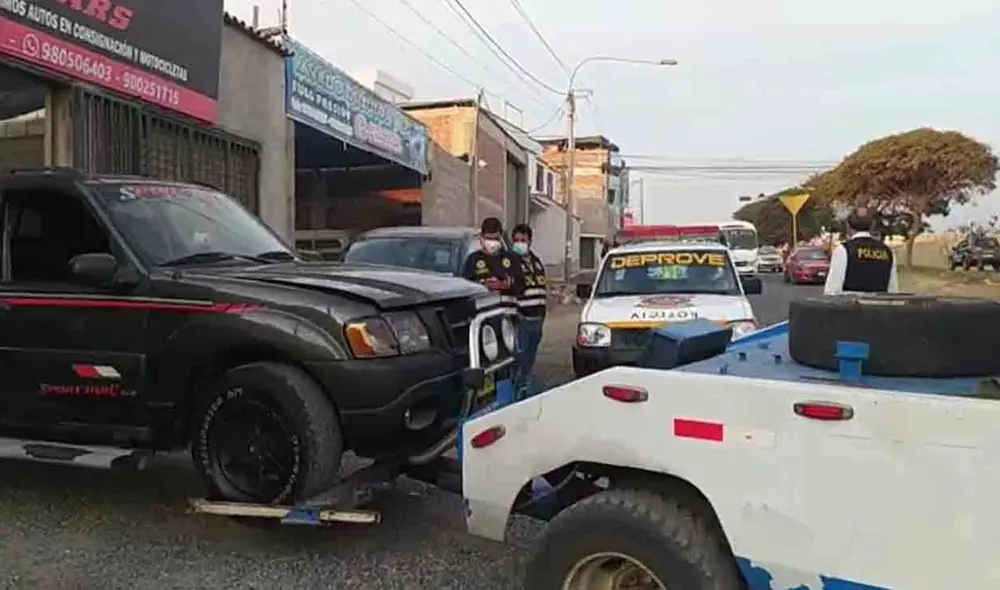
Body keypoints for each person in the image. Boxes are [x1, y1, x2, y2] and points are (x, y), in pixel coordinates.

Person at [824, 207, 899, 295]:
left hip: (850, 302)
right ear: (872, 226)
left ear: (848, 226)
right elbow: (893, 290)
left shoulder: (844, 250)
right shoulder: (887, 251)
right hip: (879, 302)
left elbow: (832, 289)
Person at [510, 223, 546, 397]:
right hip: (521, 320)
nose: (519, 243)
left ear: (530, 241)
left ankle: (523, 389)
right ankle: (515, 391)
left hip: (537, 320)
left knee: (529, 360)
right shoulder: (510, 262)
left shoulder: (536, 262)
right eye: (516, 240)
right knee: (518, 359)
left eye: (523, 240)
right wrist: (517, 315)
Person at [461, 217, 522, 300]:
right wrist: (484, 285)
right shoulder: (473, 259)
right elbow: (465, 287)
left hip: (507, 306)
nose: (492, 243)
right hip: (483, 305)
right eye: (489, 238)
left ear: (501, 237)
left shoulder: (512, 258)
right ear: (481, 237)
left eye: (496, 239)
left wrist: (506, 286)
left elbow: (521, 287)